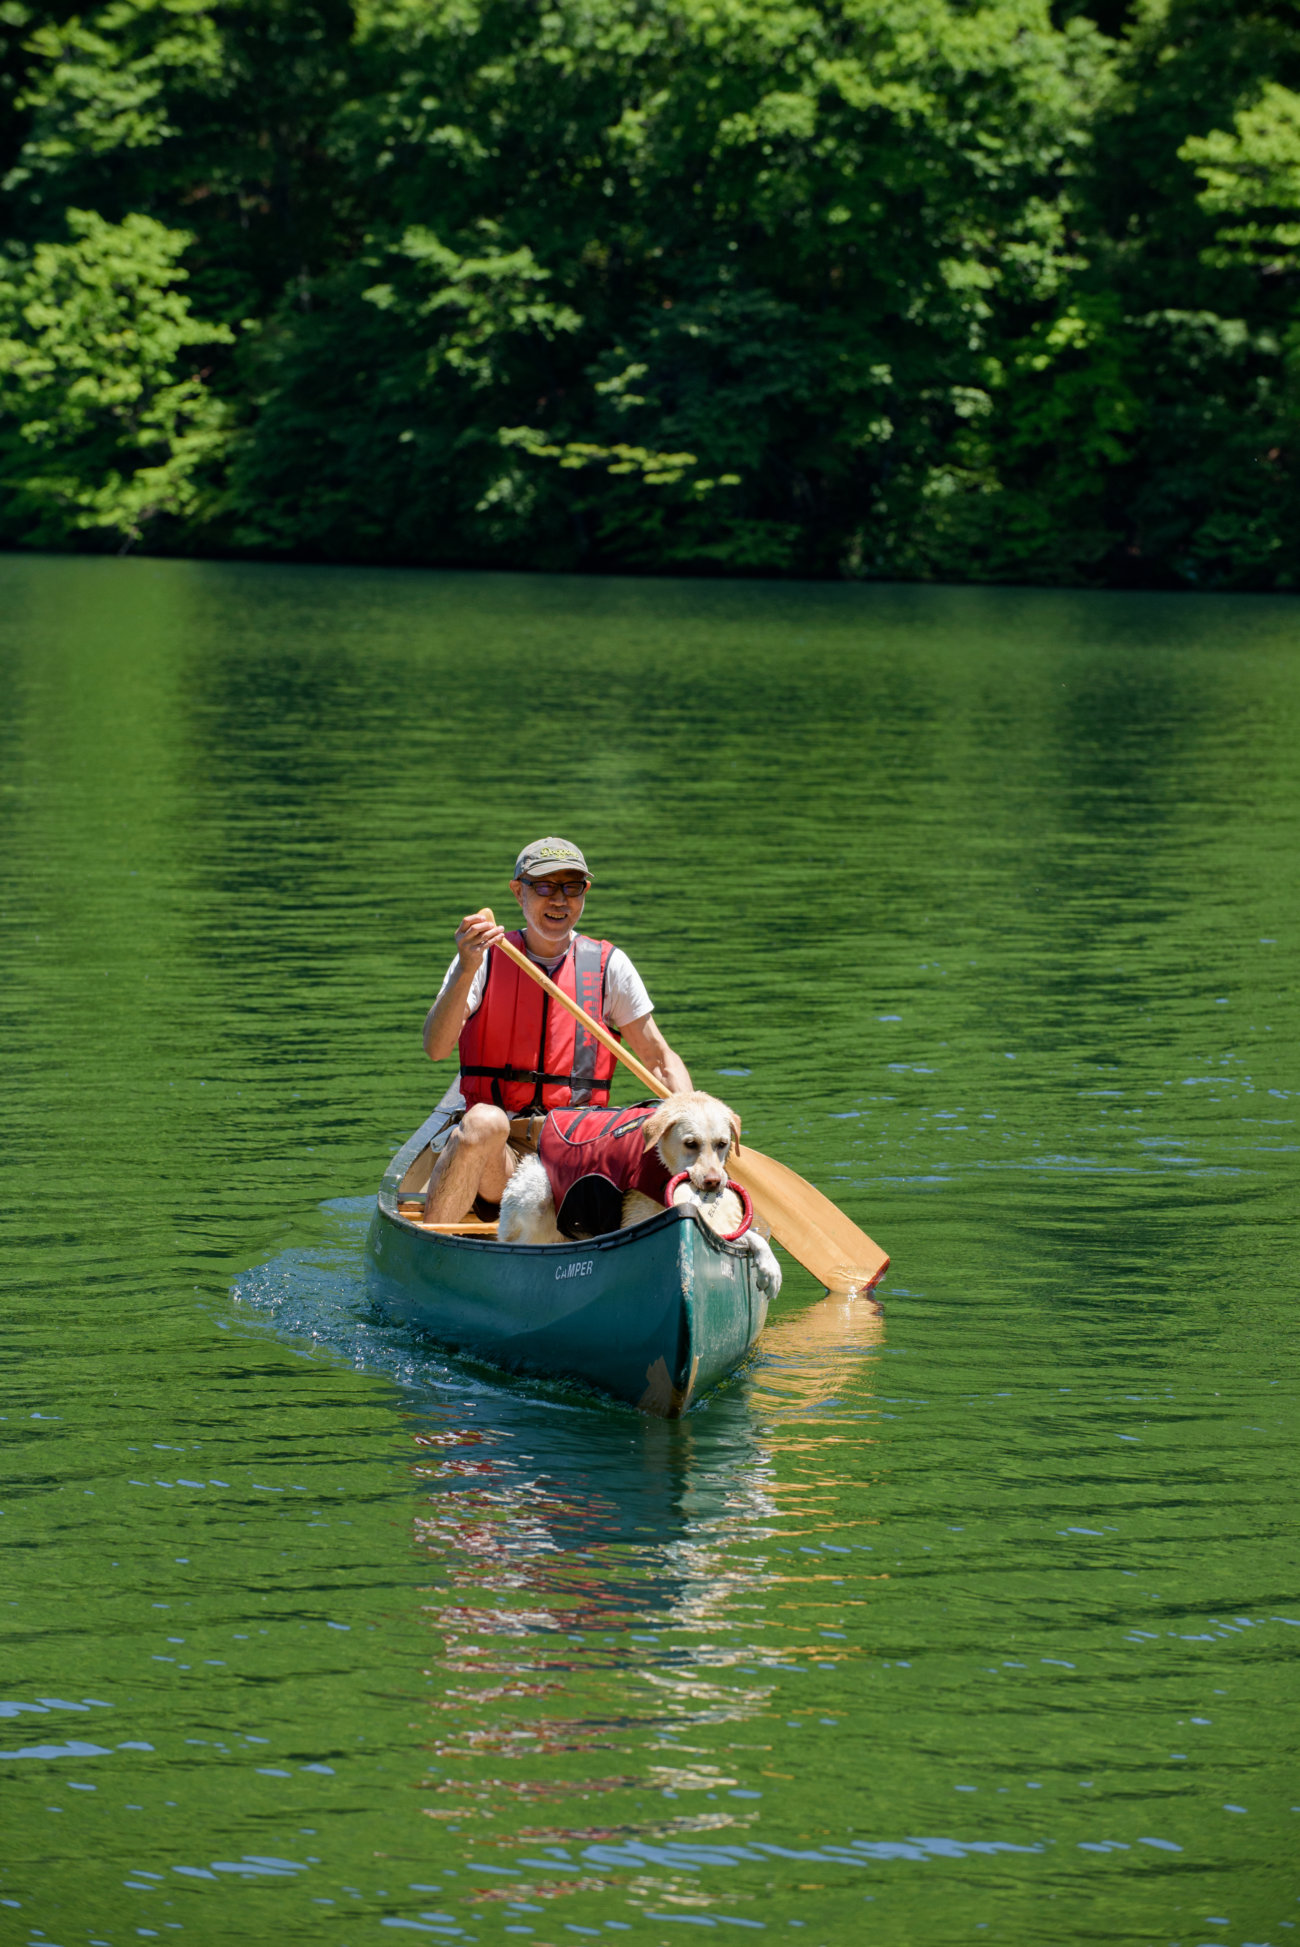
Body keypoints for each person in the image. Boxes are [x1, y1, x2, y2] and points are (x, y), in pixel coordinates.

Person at [421, 837, 691, 1222]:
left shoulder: (609, 966)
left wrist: (696, 1123)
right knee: (483, 1121)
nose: (559, 900)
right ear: (518, 892)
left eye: (572, 887)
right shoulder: (482, 958)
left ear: (585, 893)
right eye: (544, 887)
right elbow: (435, 1047)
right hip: (503, 1156)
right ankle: (435, 1251)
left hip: (577, 1153)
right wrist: (466, 967)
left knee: (647, 1125)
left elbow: (660, 1060)